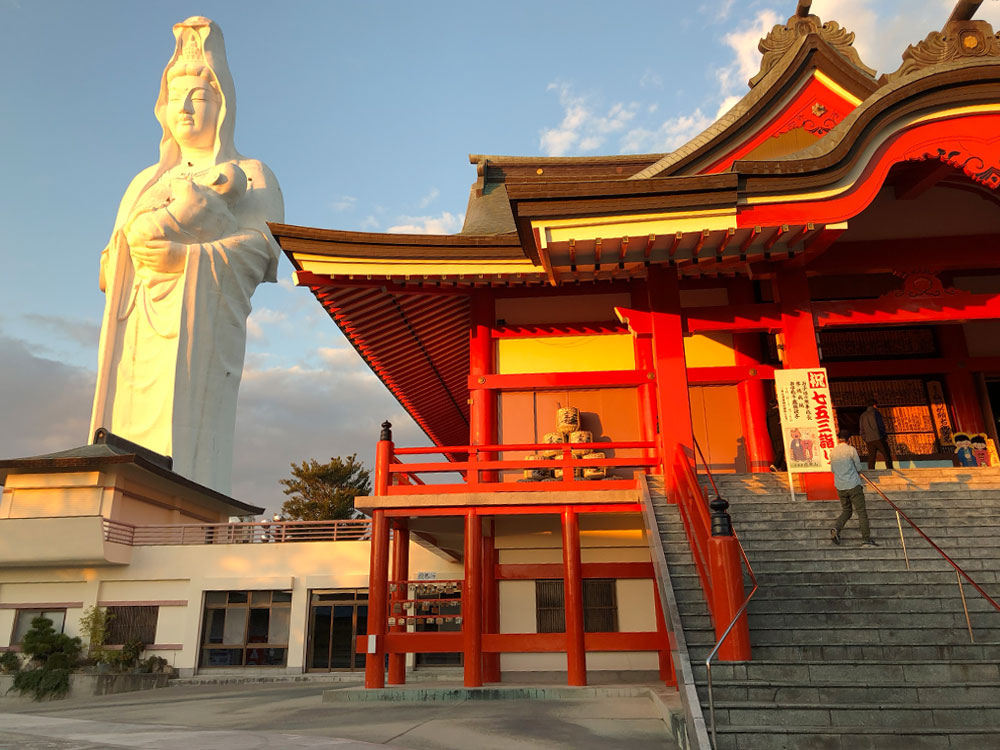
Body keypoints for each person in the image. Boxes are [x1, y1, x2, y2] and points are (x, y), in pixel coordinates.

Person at [89, 17, 284, 495]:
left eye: (198, 96)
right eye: (177, 97)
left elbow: (260, 250)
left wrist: (183, 256)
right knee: (123, 429)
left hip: (200, 321)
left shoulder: (251, 172)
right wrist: (138, 245)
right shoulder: (144, 181)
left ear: (223, 105)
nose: (186, 107)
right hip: (136, 323)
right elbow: (108, 265)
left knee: (189, 436)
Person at [829, 429, 878, 547]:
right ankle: (866, 538)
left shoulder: (832, 452)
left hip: (840, 487)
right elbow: (858, 466)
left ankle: (837, 528)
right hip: (853, 485)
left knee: (847, 511)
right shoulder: (851, 450)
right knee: (861, 512)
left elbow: (832, 470)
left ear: (837, 439)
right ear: (849, 440)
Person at [859, 398, 894, 470]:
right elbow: (880, 425)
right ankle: (890, 469)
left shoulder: (863, 415)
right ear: (874, 405)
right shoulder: (876, 413)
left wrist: (864, 438)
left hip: (868, 439)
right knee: (886, 453)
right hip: (878, 437)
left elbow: (861, 428)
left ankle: (871, 471)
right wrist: (884, 435)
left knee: (871, 456)